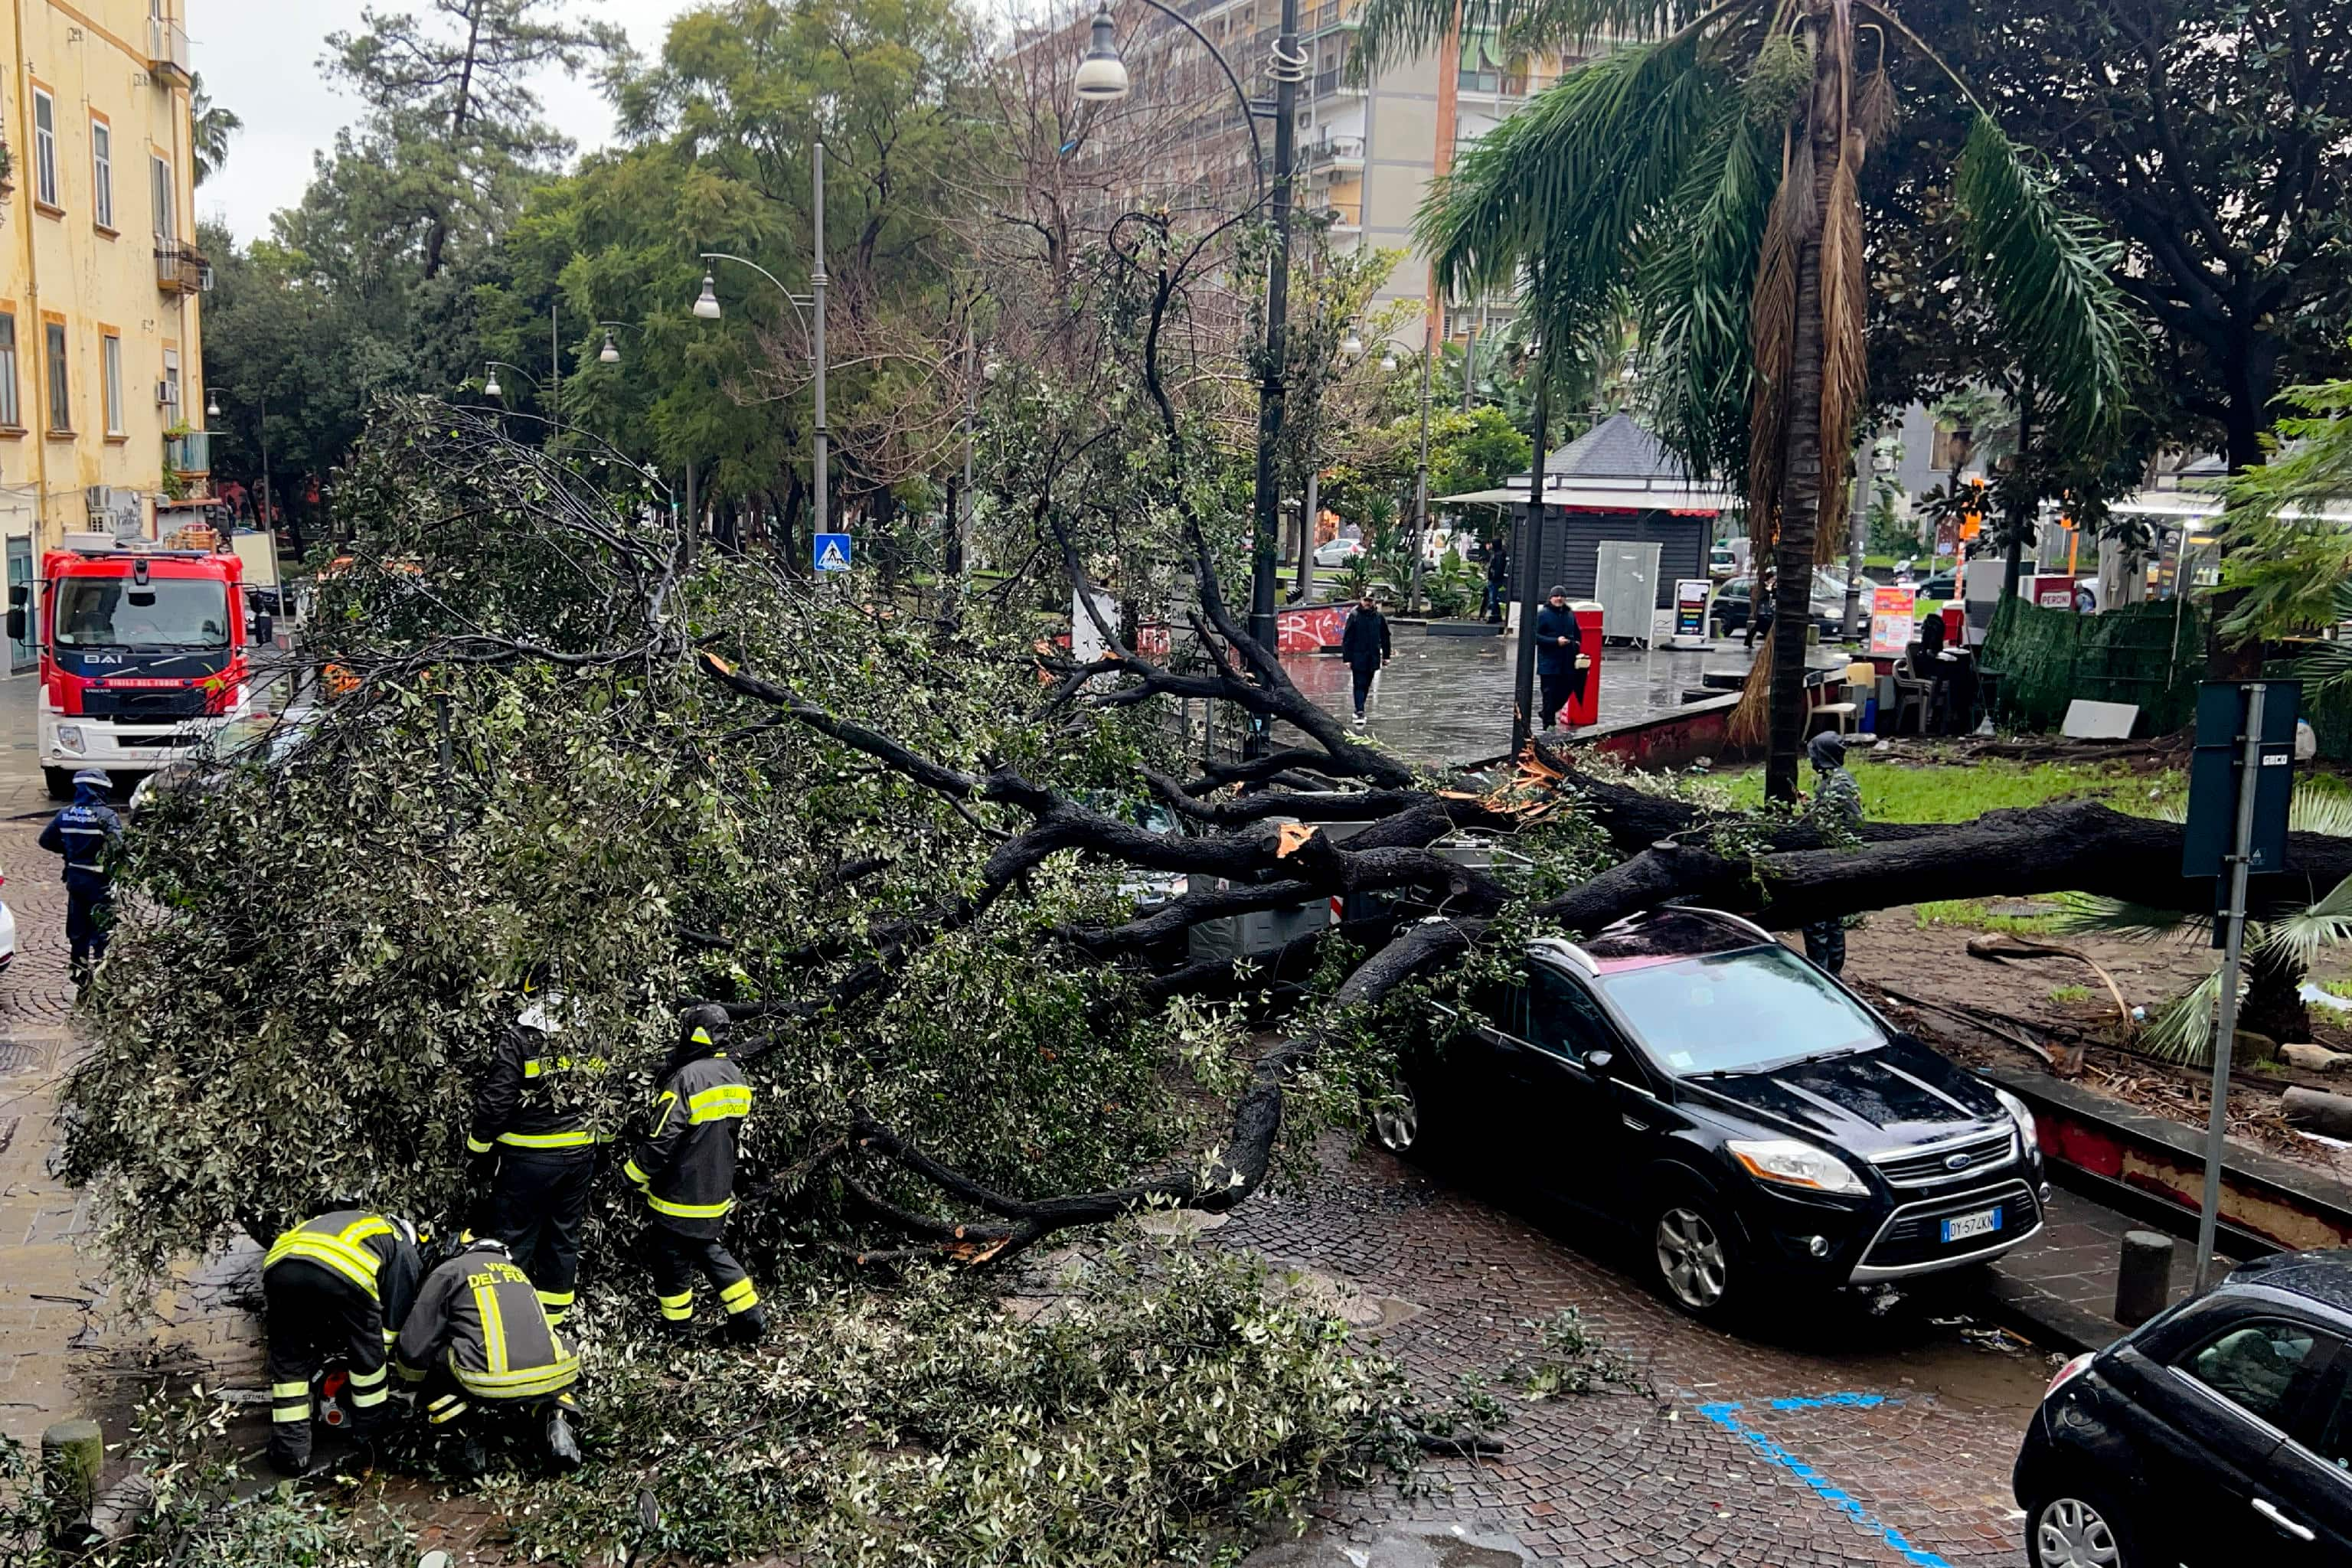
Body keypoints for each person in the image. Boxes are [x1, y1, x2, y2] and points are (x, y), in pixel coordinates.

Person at [623, 1007, 766, 1344]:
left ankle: (679, 1333)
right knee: (708, 1249)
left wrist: (633, 1174)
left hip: (679, 1193)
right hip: (716, 1190)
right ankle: (749, 1317)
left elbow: (662, 1138)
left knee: (672, 1259)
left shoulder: (686, 1079)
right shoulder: (735, 1075)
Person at [466, 982, 606, 1327]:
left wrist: (478, 1149)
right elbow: (610, 1090)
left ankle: (508, 1321)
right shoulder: (592, 1033)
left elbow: (496, 1101)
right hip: (578, 1158)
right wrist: (603, 1145)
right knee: (563, 1236)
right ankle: (553, 1322)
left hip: (527, 1159)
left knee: (513, 1237)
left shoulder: (520, 1038)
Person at [394, 1232, 581, 1476]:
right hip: (556, 1374)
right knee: (543, 1365)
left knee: (432, 1357)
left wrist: (408, 1384)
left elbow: (415, 1346)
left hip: (489, 1381)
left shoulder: (450, 1270)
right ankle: (557, 1422)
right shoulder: (518, 1274)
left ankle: (464, 1440)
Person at [260, 1206, 424, 1475]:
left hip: (280, 1267)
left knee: (290, 1357)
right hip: (342, 1269)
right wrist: (374, 1354)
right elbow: (394, 1320)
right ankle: (369, 1431)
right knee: (367, 1353)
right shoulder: (401, 1243)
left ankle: (292, 1452)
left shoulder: (355, 1222)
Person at [39, 769, 124, 982]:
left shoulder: (64, 814)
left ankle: (79, 974)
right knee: (103, 929)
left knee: (77, 929)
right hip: (100, 882)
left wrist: (69, 851)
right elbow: (119, 848)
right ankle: (103, 974)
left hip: (75, 880)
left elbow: (45, 840)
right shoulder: (106, 817)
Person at [1802, 731, 1863, 975]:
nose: (1811, 760)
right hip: (1839, 859)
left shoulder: (1838, 785)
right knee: (1832, 917)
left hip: (1831, 861)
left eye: (1814, 755)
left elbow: (1849, 822)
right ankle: (1832, 972)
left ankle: (1824, 974)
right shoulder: (1839, 779)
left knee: (1818, 920)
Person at [1534, 586, 1584, 731]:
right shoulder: (1543, 615)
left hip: (1567, 661)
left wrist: (1576, 644)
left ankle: (1546, 714)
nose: (1559, 598)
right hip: (1548, 663)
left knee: (1567, 689)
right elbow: (1534, 637)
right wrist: (1555, 642)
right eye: (1556, 596)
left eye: (1562, 596)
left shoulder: (1569, 614)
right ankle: (1549, 725)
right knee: (1549, 693)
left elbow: (1577, 633)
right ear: (1550, 598)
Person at [1339, 593, 1391, 728]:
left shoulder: (1379, 617)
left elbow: (1385, 637)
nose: (1368, 603)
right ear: (1361, 601)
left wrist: (1386, 656)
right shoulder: (1355, 616)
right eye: (1366, 600)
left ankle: (1360, 707)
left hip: (1373, 657)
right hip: (1358, 656)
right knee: (1359, 683)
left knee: (1366, 684)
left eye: (1370, 601)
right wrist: (1347, 658)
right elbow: (1348, 638)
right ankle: (1359, 710)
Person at [1483, 537, 1511, 623]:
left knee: (1493, 598)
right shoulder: (1500, 554)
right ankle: (1497, 615)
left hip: (1495, 579)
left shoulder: (1498, 555)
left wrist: (1493, 576)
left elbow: (1497, 568)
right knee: (1494, 597)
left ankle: (1495, 615)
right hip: (1495, 579)